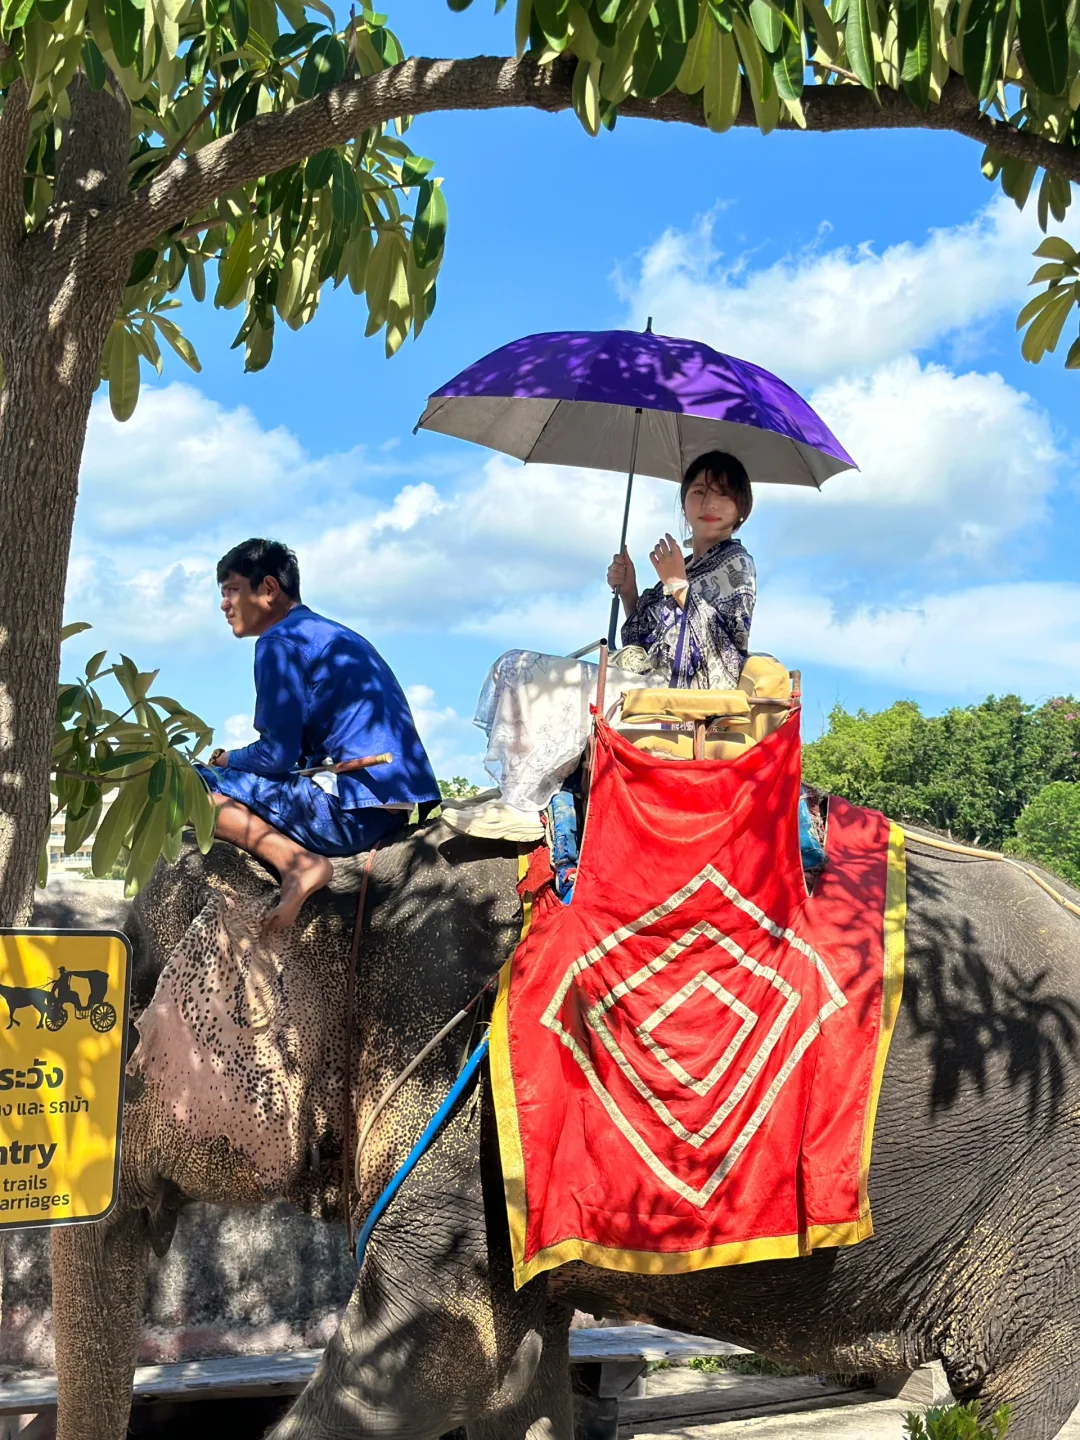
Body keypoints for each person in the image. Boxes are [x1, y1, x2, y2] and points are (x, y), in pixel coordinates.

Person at [466, 451, 756, 825]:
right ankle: (522, 791)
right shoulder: (691, 565)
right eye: (698, 492)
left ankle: (524, 802)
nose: (709, 503)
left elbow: (728, 647)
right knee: (520, 664)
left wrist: (677, 585)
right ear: (684, 503)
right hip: (651, 680)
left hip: (688, 695)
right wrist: (631, 591)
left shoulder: (736, 563)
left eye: (723, 494)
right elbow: (644, 639)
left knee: (530, 673)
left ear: (741, 508)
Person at [196, 539, 440, 932]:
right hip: (387, 809)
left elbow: (276, 755)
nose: (224, 605)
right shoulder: (332, 634)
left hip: (348, 815)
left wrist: (228, 760)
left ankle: (297, 864)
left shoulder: (278, 642)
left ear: (269, 589)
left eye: (231, 590)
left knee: (186, 785)